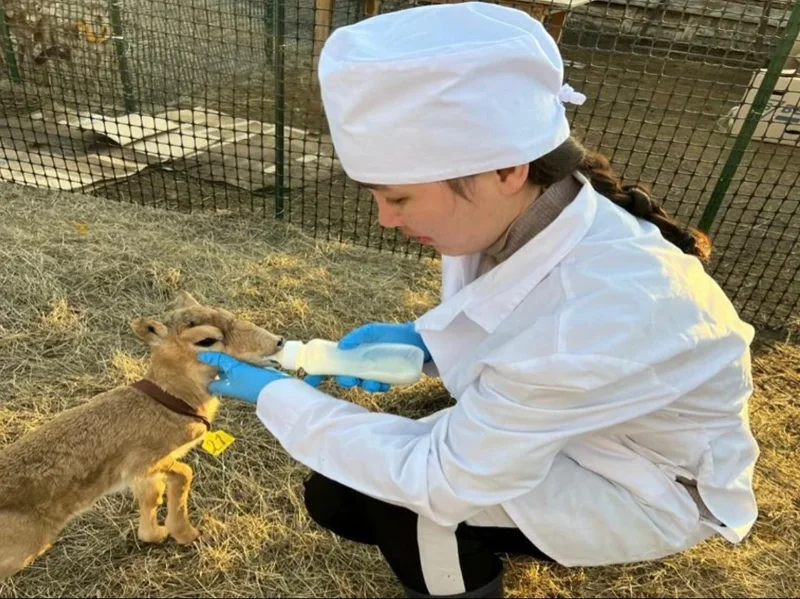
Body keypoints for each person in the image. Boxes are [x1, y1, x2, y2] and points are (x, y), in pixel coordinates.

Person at [197, 3, 760, 598]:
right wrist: (427, 346)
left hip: (642, 484)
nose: (386, 220)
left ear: (507, 170)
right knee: (337, 493)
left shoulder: (599, 311)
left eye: (401, 199)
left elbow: (445, 481)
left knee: (406, 504)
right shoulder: (526, 212)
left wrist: (277, 394)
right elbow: (515, 322)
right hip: (582, 431)